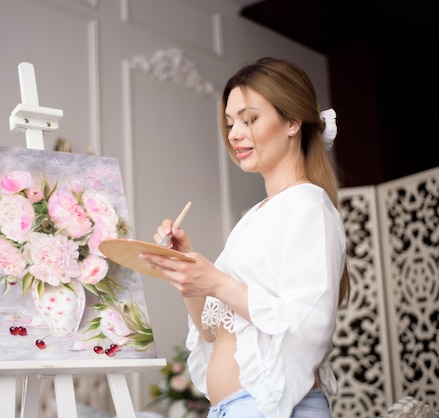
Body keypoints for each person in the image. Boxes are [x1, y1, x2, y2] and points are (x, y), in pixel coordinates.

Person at [139, 57, 350, 418]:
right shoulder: (255, 216)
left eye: (249, 119)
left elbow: (309, 326)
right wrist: (189, 272)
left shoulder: (308, 205)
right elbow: (211, 332)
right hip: (234, 408)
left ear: (293, 122)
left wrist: (217, 282)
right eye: (230, 122)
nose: (234, 133)